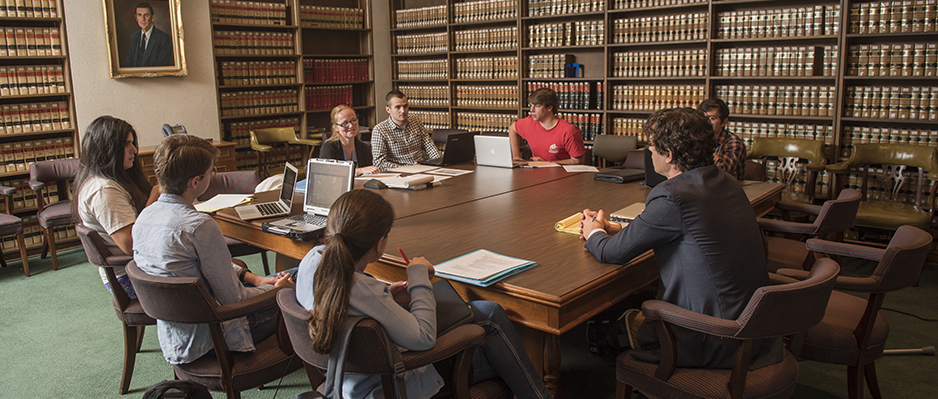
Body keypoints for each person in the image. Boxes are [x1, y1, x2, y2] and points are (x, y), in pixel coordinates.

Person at [296, 189, 553, 399]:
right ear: (379, 243)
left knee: (486, 313)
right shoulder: (362, 288)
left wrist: (387, 293)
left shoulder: (312, 261)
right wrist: (418, 275)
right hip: (392, 382)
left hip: (345, 375)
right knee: (496, 334)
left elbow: (355, 302)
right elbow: (423, 338)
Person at [579, 108, 781, 370]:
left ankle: (652, 381)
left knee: (611, 323)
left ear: (669, 155)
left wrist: (592, 232)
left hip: (714, 336)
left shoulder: (671, 195)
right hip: (753, 324)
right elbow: (691, 230)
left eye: (651, 147)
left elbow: (612, 254)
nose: (649, 152)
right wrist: (616, 228)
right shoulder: (726, 181)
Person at [133, 134, 293, 365]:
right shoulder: (199, 226)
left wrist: (254, 278)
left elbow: (189, 268)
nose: (214, 174)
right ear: (195, 181)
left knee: (291, 277)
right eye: (211, 171)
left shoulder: (145, 217)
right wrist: (277, 291)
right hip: (217, 334)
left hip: (177, 335)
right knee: (306, 286)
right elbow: (234, 299)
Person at [73, 115, 160, 298]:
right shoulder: (104, 191)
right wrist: (154, 199)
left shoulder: (109, 182)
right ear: (108, 148)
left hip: (136, 267)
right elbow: (130, 244)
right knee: (211, 277)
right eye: (127, 144)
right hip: (131, 276)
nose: (134, 150)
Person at [508, 88, 585, 165]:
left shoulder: (569, 131)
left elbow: (577, 161)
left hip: (561, 173)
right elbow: (512, 129)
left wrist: (548, 163)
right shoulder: (529, 123)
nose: (532, 110)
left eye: (537, 106)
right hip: (537, 172)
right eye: (531, 105)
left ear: (549, 108)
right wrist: (516, 156)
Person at [371, 90, 440, 170]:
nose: (403, 111)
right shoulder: (380, 130)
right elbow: (379, 163)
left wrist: (439, 162)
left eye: (405, 106)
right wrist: (407, 169)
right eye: (398, 107)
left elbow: (429, 146)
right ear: (388, 110)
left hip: (422, 168)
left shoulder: (415, 121)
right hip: (399, 173)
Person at [320, 105, 380, 176]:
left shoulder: (364, 148)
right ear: (335, 127)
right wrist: (360, 170)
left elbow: (369, 172)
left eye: (354, 120)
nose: (351, 125)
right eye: (345, 123)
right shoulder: (328, 147)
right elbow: (329, 172)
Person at [697, 98, 746, 179]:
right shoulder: (696, 138)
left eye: (712, 118)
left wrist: (708, 142)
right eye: (703, 118)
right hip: (703, 187)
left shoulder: (734, 143)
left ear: (724, 122)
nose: (706, 122)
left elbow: (722, 173)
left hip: (727, 189)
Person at [121, 2, 174, 68]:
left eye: (146, 15)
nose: (142, 19)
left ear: (152, 17)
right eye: (139, 15)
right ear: (136, 18)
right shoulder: (134, 37)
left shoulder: (164, 39)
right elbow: (129, 61)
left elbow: (162, 66)